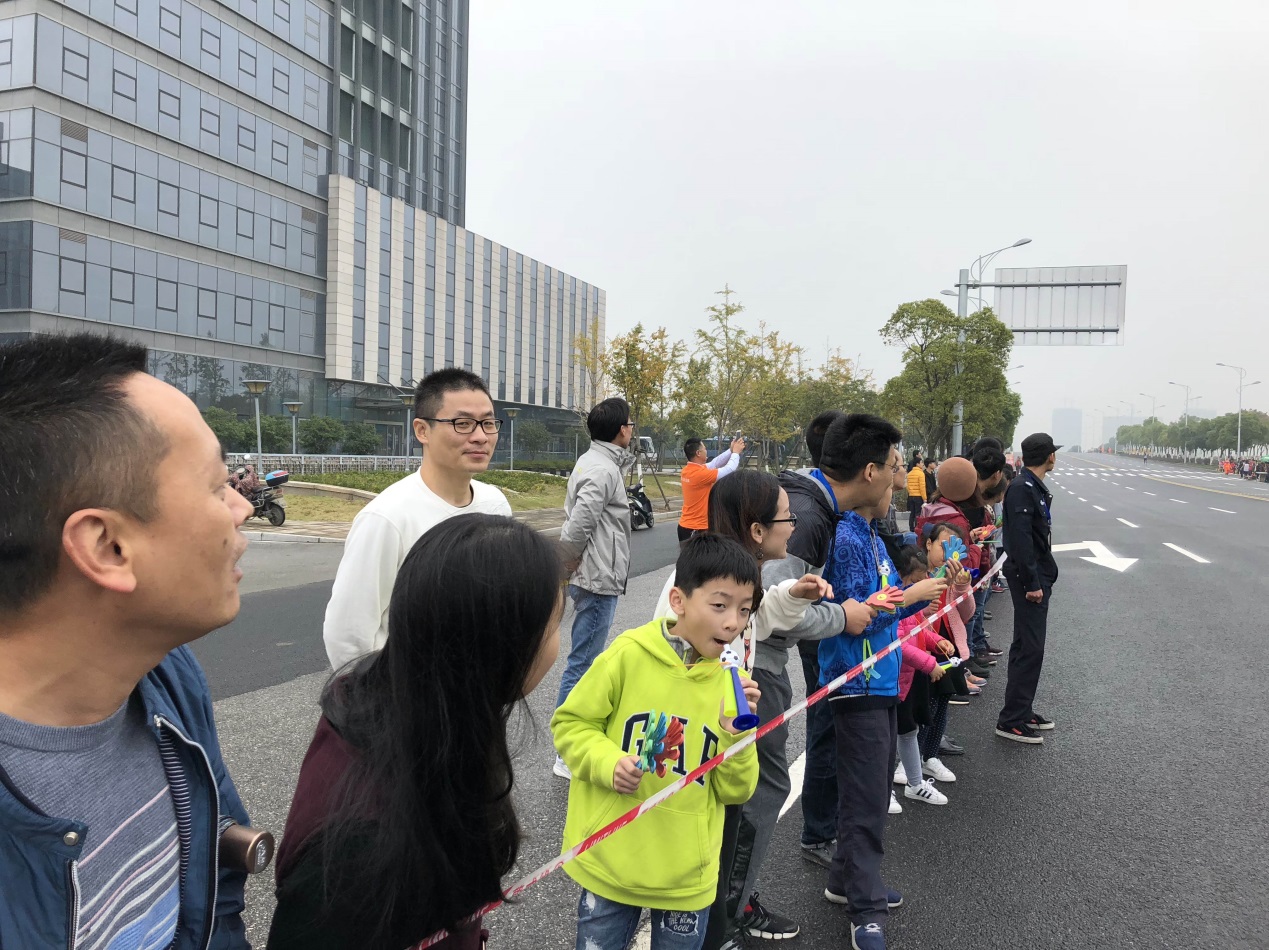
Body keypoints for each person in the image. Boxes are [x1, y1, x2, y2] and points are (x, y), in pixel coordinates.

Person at [0, 333, 254, 949]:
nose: (242, 508)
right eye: (217, 486)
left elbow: (215, 892)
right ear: (108, 547)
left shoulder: (166, 677)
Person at [269, 515, 565, 949]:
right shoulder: (361, 850)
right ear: (499, 647)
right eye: (554, 625)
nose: (558, 643)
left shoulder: (405, 704)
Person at [552, 534, 763, 950]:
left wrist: (735, 735)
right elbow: (571, 724)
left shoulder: (735, 688)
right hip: (612, 861)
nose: (733, 623)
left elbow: (737, 790)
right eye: (720, 605)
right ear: (678, 601)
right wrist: (607, 763)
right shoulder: (628, 655)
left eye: (744, 610)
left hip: (686, 877)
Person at [652, 470, 834, 947]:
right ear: (756, 530)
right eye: (786, 517)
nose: (793, 526)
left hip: (723, 744)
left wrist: (793, 593)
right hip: (694, 748)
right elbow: (668, 659)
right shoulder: (696, 581)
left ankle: (716, 929)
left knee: (719, 843)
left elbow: (763, 617)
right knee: (693, 857)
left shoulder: (740, 579)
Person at [815, 414, 947, 950]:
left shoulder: (867, 532)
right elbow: (858, 616)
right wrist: (912, 597)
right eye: (894, 467)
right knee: (868, 798)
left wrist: (921, 593)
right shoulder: (846, 537)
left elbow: (882, 602)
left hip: (881, 679)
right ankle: (865, 909)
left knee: (867, 791)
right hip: (859, 683)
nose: (900, 478)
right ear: (869, 472)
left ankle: (846, 880)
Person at [323, 368, 512, 669]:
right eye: (463, 424)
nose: (480, 437)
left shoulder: (495, 505)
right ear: (422, 430)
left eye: (488, 423)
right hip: (408, 692)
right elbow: (348, 635)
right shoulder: (387, 518)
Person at [554, 397, 636, 779]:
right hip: (596, 576)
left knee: (584, 661)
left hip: (596, 573)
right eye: (630, 424)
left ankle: (572, 743)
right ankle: (567, 751)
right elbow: (579, 524)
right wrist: (566, 562)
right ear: (621, 430)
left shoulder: (599, 462)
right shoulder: (602, 469)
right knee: (583, 664)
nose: (632, 429)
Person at [996, 433, 1061, 744]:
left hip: (1035, 574)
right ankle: (1011, 719)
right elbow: (1021, 539)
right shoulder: (1024, 487)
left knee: (1027, 645)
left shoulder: (1030, 485)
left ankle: (1021, 710)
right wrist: (1032, 583)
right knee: (1030, 648)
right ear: (1049, 456)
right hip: (1029, 579)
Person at [891, 545, 956, 808]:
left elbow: (918, 630)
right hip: (895, 680)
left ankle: (915, 784)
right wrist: (930, 664)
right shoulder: (895, 602)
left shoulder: (912, 605)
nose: (924, 585)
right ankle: (883, 791)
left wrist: (937, 641)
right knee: (888, 738)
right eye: (919, 581)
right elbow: (898, 643)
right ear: (902, 577)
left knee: (909, 731)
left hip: (909, 679)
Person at [678, 435, 747, 543]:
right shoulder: (700, 474)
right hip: (697, 528)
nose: (706, 451)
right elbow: (729, 469)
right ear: (698, 453)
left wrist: (730, 450)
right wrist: (736, 453)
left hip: (686, 526)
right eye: (704, 449)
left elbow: (715, 462)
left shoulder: (688, 470)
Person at [905, 453, 928, 532]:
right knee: (918, 513)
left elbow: (907, 486)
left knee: (912, 513)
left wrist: (911, 492)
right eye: (921, 463)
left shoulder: (909, 474)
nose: (922, 464)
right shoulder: (921, 474)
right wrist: (924, 498)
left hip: (911, 496)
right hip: (919, 496)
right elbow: (922, 487)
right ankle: (916, 528)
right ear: (917, 464)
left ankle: (911, 528)